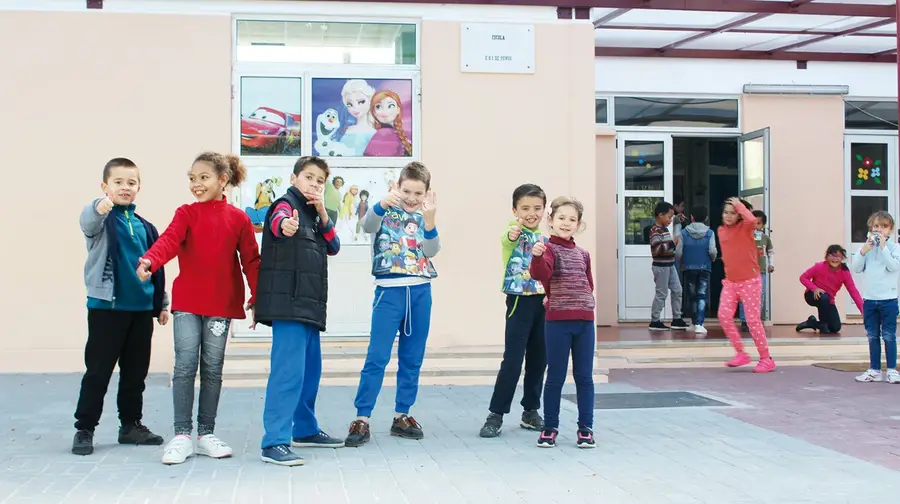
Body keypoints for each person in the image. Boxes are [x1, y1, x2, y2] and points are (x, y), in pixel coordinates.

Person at [136, 152, 260, 465]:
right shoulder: (186, 213)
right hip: (187, 304)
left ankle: (205, 434)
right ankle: (181, 436)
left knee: (212, 368)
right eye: (192, 178)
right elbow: (169, 240)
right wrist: (150, 260)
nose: (196, 184)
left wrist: (257, 296)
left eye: (203, 177)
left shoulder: (239, 219)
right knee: (185, 365)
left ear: (223, 180)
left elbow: (251, 260)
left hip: (220, 306)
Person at [72, 157, 170, 456]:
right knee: (98, 371)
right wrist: (98, 207)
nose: (125, 188)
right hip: (107, 309)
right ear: (106, 187)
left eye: (131, 183)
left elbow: (156, 265)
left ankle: (130, 425)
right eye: (118, 182)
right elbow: (87, 222)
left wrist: (161, 303)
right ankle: (84, 428)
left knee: (135, 372)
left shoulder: (144, 225)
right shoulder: (102, 220)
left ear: (138, 187)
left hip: (140, 310)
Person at [255, 156, 343, 466]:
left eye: (320, 181)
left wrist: (320, 209)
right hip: (289, 306)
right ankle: (274, 442)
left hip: (309, 307)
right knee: (287, 375)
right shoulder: (285, 205)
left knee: (309, 373)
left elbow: (335, 246)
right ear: (294, 179)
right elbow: (279, 224)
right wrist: (286, 225)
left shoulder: (314, 214)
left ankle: (304, 430)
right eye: (309, 177)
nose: (315, 184)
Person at [344, 162, 440, 447]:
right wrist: (379, 205)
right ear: (397, 187)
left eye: (418, 193)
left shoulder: (425, 216)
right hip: (389, 293)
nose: (411, 198)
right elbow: (367, 225)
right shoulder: (383, 211)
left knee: (413, 358)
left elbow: (432, 250)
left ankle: (402, 415)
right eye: (406, 190)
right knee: (377, 357)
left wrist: (431, 220)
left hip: (420, 292)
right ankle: (362, 417)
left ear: (426, 193)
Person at [480, 184, 548, 438]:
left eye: (537, 208)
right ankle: (495, 414)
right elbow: (508, 239)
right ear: (515, 209)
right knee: (513, 359)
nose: (532, 213)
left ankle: (531, 411)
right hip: (519, 302)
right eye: (525, 208)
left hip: (543, 304)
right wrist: (513, 232)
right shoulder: (513, 233)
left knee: (539, 359)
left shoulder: (547, 238)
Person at [529, 197, 596, 449]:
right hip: (557, 322)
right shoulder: (547, 249)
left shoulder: (584, 254)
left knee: (584, 378)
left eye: (572, 219)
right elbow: (541, 274)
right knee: (555, 377)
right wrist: (536, 257)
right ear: (551, 221)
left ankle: (586, 428)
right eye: (561, 218)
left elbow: (589, 284)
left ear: (579, 225)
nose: (566, 223)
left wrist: (587, 303)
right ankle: (550, 428)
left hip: (584, 323)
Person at [718, 197, 775, 373]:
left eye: (733, 213)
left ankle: (766, 358)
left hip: (750, 281)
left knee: (752, 321)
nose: (728, 216)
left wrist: (739, 205)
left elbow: (751, 219)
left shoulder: (746, 227)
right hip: (730, 282)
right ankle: (741, 353)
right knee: (723, 316)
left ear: (739, 215)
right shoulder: (720, 231)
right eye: (726, 212)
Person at [851, 211, 900, 383]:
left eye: (884, 227)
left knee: (889, 336)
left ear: (890, 230)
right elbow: (855, 268)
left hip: (889, 300)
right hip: (870, 300)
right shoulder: (866, 249)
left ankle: (892, 370)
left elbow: (893, 267)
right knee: (872, 335)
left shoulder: (894, 248)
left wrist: (883, 247)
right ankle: (874, 370)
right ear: (871, 229)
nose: (879, 230)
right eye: (876, 226)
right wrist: (863, 251)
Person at [797, 245, 863, 335]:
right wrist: (814, 288)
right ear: (827, 257)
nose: (835, 259)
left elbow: (853, 291)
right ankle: (823, 324)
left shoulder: (844, 272)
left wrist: (864, 312)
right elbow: (803, 277)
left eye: (838, 256)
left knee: (835, 327)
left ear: (842, 258)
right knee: (824, 297)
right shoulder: (819, 266)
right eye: (832, 256)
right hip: (812, 295)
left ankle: (812, 322)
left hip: (829, 300)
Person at [674, 205, 717, 334]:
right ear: (706, 218)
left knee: (691, 295)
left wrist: (681, 261)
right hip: (704, 267)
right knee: (701, 295)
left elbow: (678, 252)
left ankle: (693, 322)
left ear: (692, 218)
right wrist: (713, 258)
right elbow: (712, 250)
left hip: (688, 267)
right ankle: (700, 323)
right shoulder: (710, 233)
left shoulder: (684, 233)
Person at [649, 201, 687, 331]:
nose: (670, 220)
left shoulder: (664, 229)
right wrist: (672, 243)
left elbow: (666, 245)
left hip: (670, 265)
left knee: (677, 290)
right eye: (669, 217)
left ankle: (677, 318)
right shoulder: (655, 231)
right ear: (660, 215)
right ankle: (655, 320)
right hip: (661, 266)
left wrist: (677, 219)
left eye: (672, 217)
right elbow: (658, 249)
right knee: (662, 293)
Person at [739, 210, 775, 332]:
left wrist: (771, 264)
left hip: (761, 272)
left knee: (759, 295)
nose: (755, 226)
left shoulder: (765, 238)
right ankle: (744, 320)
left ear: (763, 225)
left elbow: (770, 252)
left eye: (758, 223)